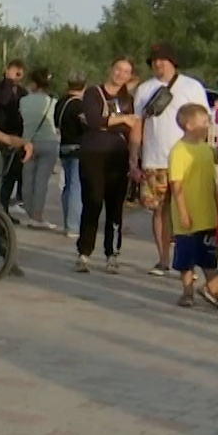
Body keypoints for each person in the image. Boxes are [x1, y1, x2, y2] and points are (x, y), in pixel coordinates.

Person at [132, 44, 212, 276]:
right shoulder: (145, 89)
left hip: (187, 158)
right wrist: (133, 156)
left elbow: (204, 122)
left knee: (187, 208)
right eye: (154, 60)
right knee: (159, 210)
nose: (158, 64)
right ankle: (163, 259)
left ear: (172, 61)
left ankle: (189, 262)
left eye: (162, 59)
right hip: (154, 158)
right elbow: (138, 123)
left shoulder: (192, 87)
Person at [76, 57, 140, 274]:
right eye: (118, 69)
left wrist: (134, 158)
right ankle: (84, 252)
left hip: (118, 156)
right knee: (92, 202)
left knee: (115, 207)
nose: (121, 74)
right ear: (111, 69)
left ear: (130, 76)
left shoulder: (128, 99)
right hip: (93, 153)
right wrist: (122, 120)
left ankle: (112, 253)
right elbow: (94, 120)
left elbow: (134, 129)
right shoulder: (94, 93)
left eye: (126, 71)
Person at [167, 103, 218, 310]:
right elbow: (176, 184)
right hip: (188, 215)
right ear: (190, 125)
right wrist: (182, 212)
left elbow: (212, 182)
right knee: (186, 257)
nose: (207, 125)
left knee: (209, 256)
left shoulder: (207, 151)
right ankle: (188, 290)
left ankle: (214, 289)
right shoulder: (178, 151)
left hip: (207, 214)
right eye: (203, 122)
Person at [17, 68, 61, 229]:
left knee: (27, 179)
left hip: (27, 142)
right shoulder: (53, 102)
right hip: (49, 142)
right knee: (42, 181)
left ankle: (29, 213)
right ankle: (38, 215)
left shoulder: (23, 101)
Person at [0, 61, 27, 206]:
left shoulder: (23, 92)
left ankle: (4, 209)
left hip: (16, 137)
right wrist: (8, 81)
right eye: (15, 72)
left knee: (12, 175)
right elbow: (3, 101)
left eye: (20, 73)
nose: (17, 76)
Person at [54, 75, 86, 235]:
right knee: (76, 186)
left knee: (67, 186)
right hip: (77, 147)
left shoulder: (61, 102)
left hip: (64, 145)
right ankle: (73, 225)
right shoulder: (79, 105)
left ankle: (68, 222)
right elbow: (85, 125)